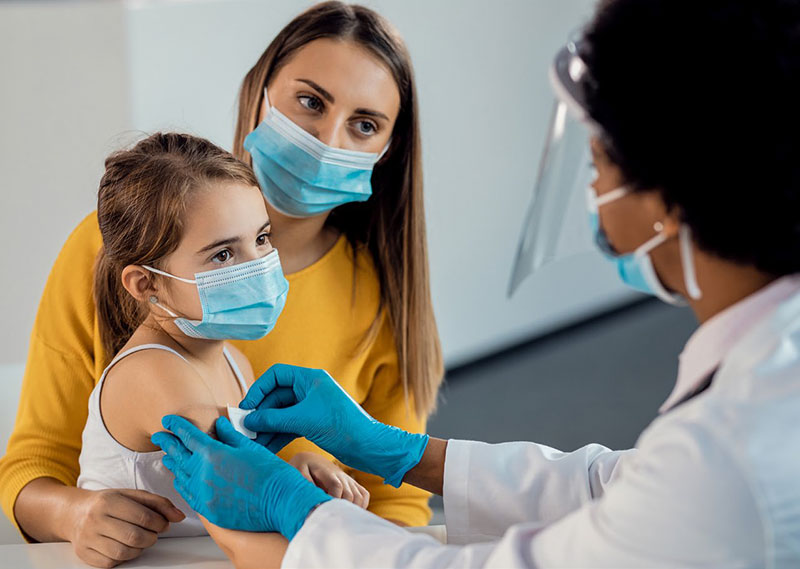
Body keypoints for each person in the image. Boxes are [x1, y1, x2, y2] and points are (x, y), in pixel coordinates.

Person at [153, 0, 800, 566]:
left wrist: (291, 509)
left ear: (671, 197)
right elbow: (611, 482)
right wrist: (402, 451)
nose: (595, 191)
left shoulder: (729, 460)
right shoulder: (764, 381)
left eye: (599, 163)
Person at [0, 2, 442, 566]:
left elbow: (393, 502)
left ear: (387, 150)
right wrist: (73, 513)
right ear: (260, 92)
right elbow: (35, 463)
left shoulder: (380, 298)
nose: (328, 141)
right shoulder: (107, 250)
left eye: (364, 125)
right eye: (310, 102)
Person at [74, 132, 370, 566]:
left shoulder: (233, 360)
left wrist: (298, 468)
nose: (260, 266)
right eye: (224, 255)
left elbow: (254, 485)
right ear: (147, 284)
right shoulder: (154, 374)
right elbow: (241, 530)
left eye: (263, 239)